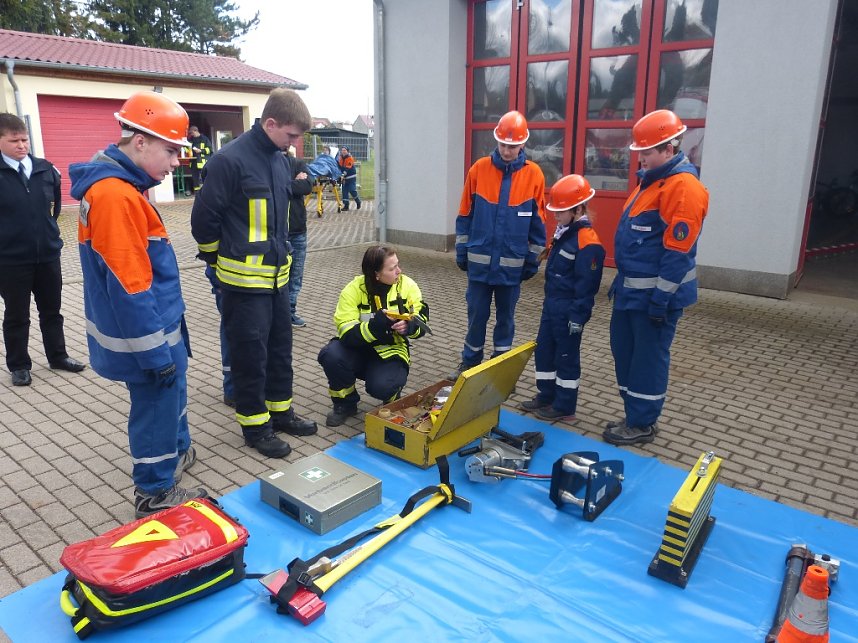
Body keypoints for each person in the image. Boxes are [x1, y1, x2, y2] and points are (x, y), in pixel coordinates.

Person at [69, 92, 208, 517]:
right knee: (155, 407)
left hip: (159, 326)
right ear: (140, 141)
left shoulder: (125, 187)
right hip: (147, 337)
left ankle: (176, 451)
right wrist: (153, 354)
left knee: (172, 398)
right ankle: (154, 492)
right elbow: (129, 285)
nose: (175, 163)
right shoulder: (116, 196)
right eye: (170, 151)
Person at [191, 88, 317, 459]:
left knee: (280, 351)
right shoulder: (229, 161)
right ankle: (255, 426)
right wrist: (217, 263)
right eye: (292, 136)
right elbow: (203, 222)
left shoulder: (279, 160)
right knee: (250, 357)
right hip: (243, 284)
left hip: (276, 281)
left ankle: (281, 413)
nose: (294, 145)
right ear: (271, 123)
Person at [603, 109, 709, 446]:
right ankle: (634, 413)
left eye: (646, 152)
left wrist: (661, 300)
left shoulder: (684, 189)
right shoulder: (651, 182)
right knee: (626, 354)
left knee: (647, 361)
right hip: (632, 295)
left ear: (668, 147)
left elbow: (677, 254)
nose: (642, 158)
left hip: (654, 301)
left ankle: (643, 423)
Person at [450, 110, 546, 380]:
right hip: (479, 266)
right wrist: (461, 249)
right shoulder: (479, 169)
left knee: (506, 321)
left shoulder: (534, 175)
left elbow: (538, 223)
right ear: (497, 141)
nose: (507, 150)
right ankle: (470, 365)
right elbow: (465, 213)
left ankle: (499, 372)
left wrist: (532, 260)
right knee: (476, 317)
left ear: (523, 144)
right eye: (504, 144)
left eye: (513, 146)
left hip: (511, 269)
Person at [0, 113, 86, 387]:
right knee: (17, 315)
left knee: (52, 311)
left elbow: (55, 209)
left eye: (24, 139)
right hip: (11, 260)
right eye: (14, 141)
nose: (22, 145)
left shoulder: (45, 169)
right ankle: (19, 365)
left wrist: (48, 235)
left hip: (48, 255)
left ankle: (58, 356)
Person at [519, 175, 604, 422]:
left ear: (578, 210)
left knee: (566, 357)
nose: (555, 216)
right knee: (544, 351)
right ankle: (546, 395)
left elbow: (587, 286)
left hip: (569, 310)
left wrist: (578, 316)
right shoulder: (564, 233)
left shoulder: (587, 242)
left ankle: (565, 405)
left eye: (560, 212)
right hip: (553, 306)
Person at [318, 246, 429, 427]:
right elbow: (346, 333)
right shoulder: (353, 289)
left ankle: (392, 401)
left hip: (391, 350)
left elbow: (422, 321)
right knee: (331, 355)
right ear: (376, 274)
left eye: (398, 265)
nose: (398, 271)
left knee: (382, 386)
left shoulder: (408, 285)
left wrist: (409, 326)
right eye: (392, 268)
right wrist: (374, 327)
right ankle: (345, 404)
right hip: (358, 350)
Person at [286, 145, 313, 327]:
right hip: (277, 232)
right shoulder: (268, 164)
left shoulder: (297, 163)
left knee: (296, 275)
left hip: (298, 231)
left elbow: (307, 186)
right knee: (278, 275)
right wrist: (292, 183)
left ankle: (290, 311)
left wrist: (287, 185)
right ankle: (278, 313)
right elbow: (270, 186)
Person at [185, 125, 212, 196]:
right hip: (193, 162)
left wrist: (200, 151)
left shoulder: (204, 139)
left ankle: (205, 193)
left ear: (195, 131)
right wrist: (186, 148)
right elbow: (187, 150)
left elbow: (210, 150)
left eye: (192, 133)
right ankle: (197, 194)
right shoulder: (191, 140)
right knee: (195, 179)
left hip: (202, 162)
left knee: (203, 178)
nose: (191, 135)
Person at [337, 145, 360, 210]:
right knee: (344, 191)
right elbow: (340, 166)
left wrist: (342, 175)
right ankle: (346, 206)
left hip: (351, 177)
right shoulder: (340, 158)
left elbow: (347, 168)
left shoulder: (350, 158)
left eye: (345, 150)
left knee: (352, 190)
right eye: (342, 150)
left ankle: (358, 201)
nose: (343, 151)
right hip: (344, 178)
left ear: (347, 151)